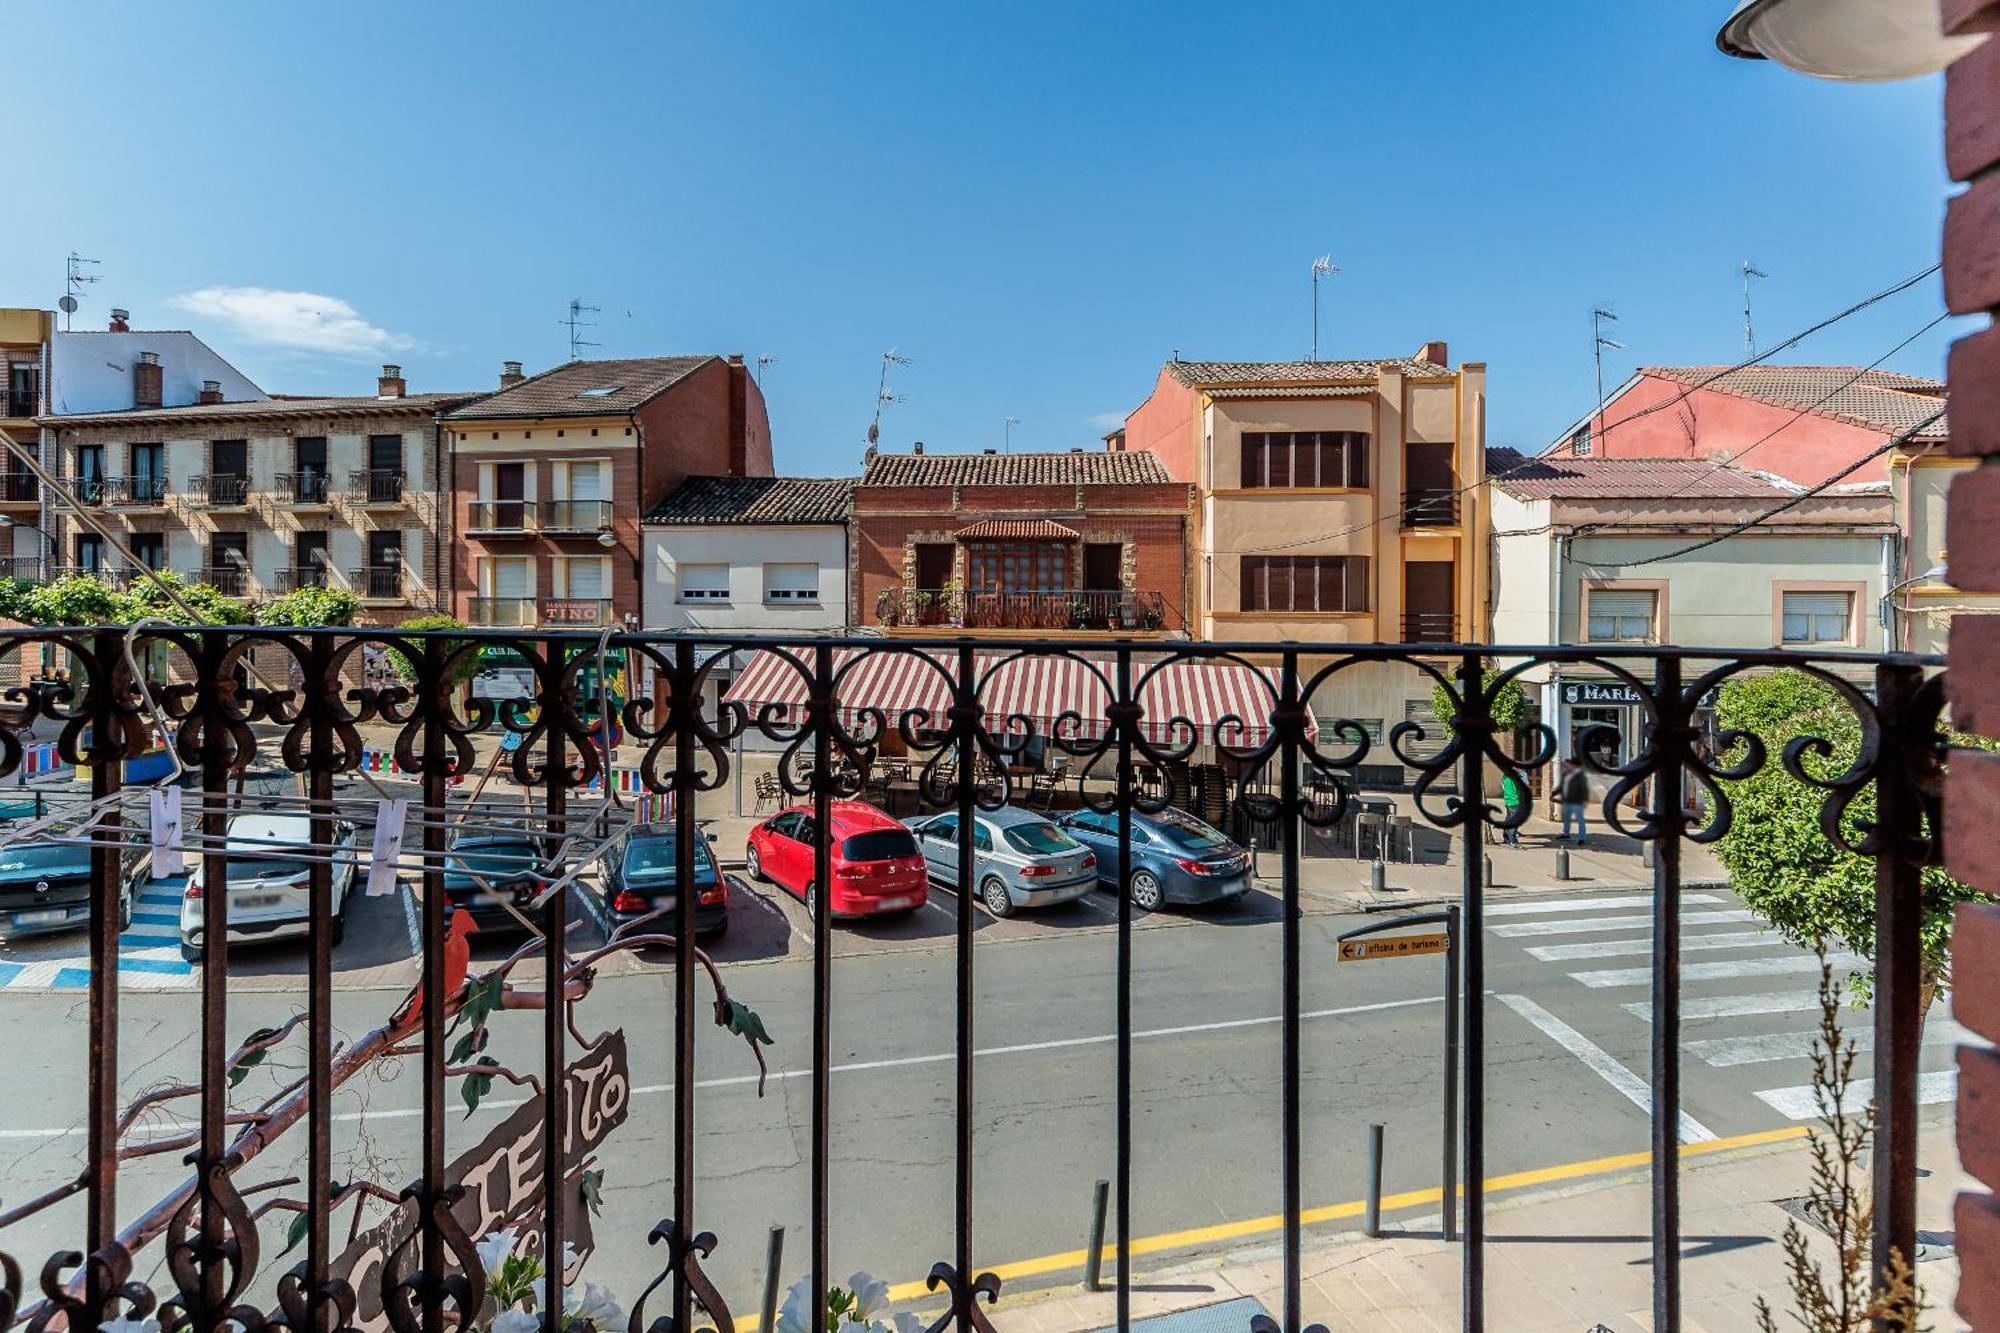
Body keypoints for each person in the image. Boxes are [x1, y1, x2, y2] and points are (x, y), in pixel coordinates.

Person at [1559, 760, 1590, 845]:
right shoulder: (1566, 775)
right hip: (1566, 801)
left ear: (1572, 765)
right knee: (1566, 819)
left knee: (1580, 820)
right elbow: (1562, 787)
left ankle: (1581, 838)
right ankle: (1566, 834)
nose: (1565, 767)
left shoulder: (1580, 776)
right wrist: (1554, 794)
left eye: (1567, 765)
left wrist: (1585, 800)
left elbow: (1585, 789)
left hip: (1577, 802)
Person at [1499, 769, 1527, 846]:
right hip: (1516, 801)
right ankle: (1512, 840)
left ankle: (1506, 838)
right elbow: (1518, 789)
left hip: (1508, 801)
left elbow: (1503, 787)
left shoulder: (1505, 777)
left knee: (1508, 819)